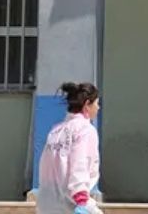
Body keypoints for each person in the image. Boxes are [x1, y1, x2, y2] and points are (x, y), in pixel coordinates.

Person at [37, 82, 103, 214]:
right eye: (97, 103)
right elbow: (80, 163)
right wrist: (82, 200)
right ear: (87, 105)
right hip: (71, 205)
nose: (98, 107)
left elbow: (45, 168)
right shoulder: (85, 130)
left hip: (46, 205)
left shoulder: (55, 131)